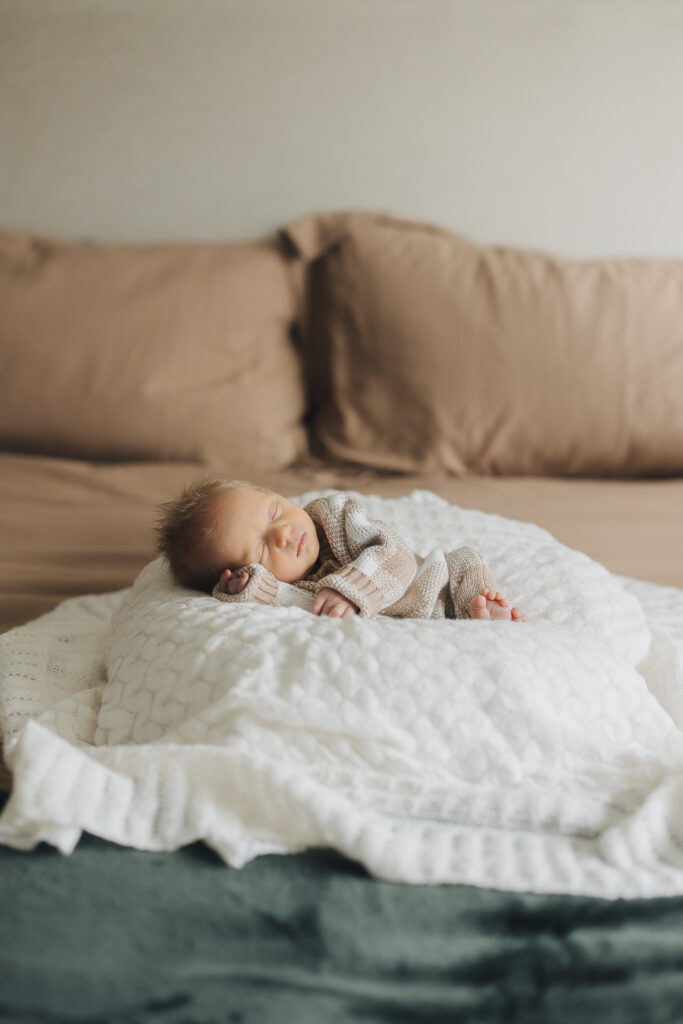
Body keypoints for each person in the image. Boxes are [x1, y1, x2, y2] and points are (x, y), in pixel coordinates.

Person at [156, 479, 527, 622]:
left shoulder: (336, 518)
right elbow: (296, 604)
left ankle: (482, 610)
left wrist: (350, 587)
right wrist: (251, 591)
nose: (284, 533)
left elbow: (396, 557)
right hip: (411, 620)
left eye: (274, 511)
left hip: (433, 585)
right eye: (261, 549)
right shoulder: (294, 587)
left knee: (466, 561)